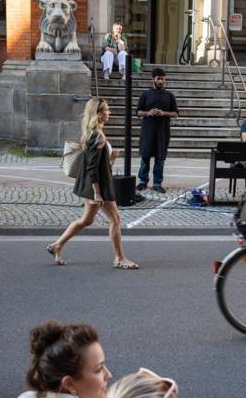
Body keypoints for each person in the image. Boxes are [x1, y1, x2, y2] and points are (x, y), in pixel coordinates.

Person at [46, 98, 139, 269]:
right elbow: (92, 168)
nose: (109, 112)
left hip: (96, 185)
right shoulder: (96, 136)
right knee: (115, 219)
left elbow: (99, 167)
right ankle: (120, 258)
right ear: (98, 113)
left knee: (86, 220)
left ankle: (56, 246)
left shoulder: (94, 134)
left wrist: (111, 159)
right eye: (107, 110)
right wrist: (97, 193)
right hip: (98, 187)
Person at [136, 68, 179, 193]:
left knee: (160, 158)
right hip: (148, 131)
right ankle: (143, 181)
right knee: (145, 157)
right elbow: (138, 112)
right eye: (158, 79)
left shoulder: (169, 96)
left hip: (163, 131)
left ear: (165, 80)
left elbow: (176, 113)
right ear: (153, 80)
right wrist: (148, 112)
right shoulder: (145, 94)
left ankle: (157, 183)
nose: (160, 81)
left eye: (162, 79)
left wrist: (163, 113)